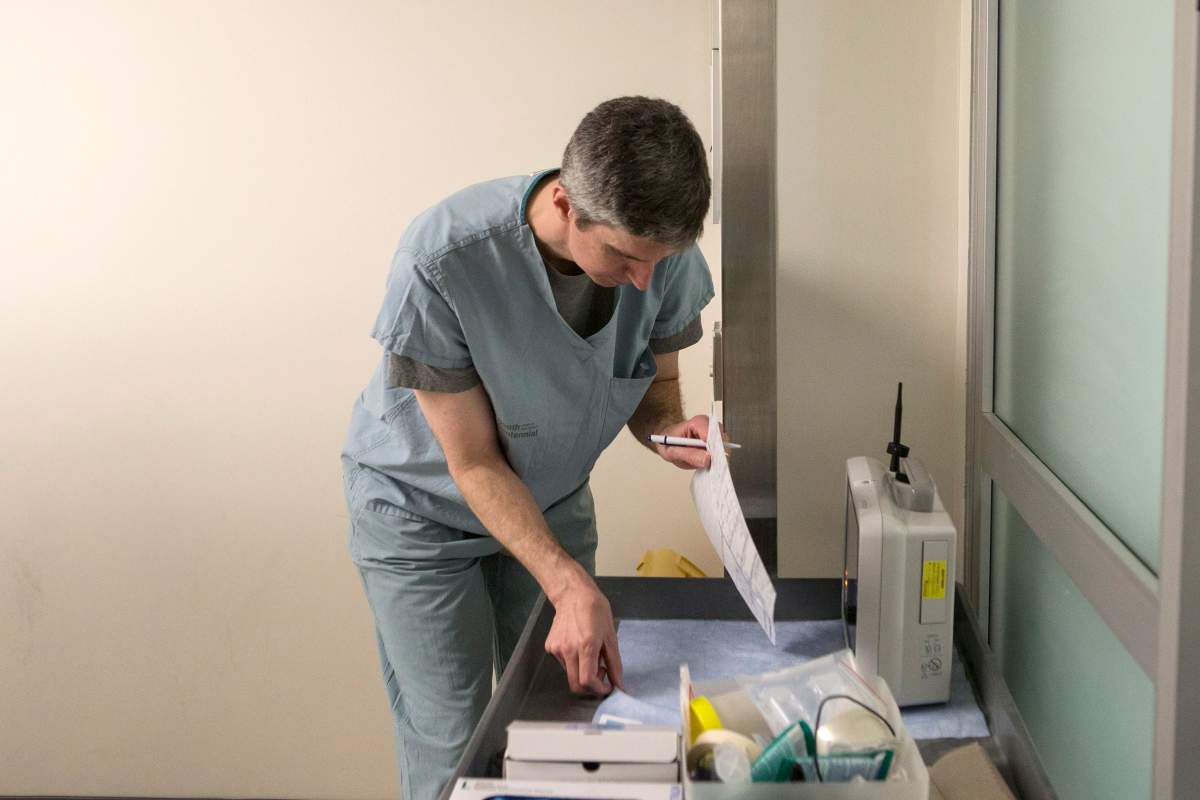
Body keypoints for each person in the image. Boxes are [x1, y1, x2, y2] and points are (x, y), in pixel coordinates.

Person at [341, 96, 716, 800]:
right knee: (454, 741)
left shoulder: (658, 252)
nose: (645, 281)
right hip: (421, 511)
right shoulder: (442, 260)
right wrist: (568, 584)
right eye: (625, 257)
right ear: (566, 204)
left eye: (659, 261)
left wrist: (673, 434)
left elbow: (656, 391)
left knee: (563, 716)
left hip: (550, 495)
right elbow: (474, 462)